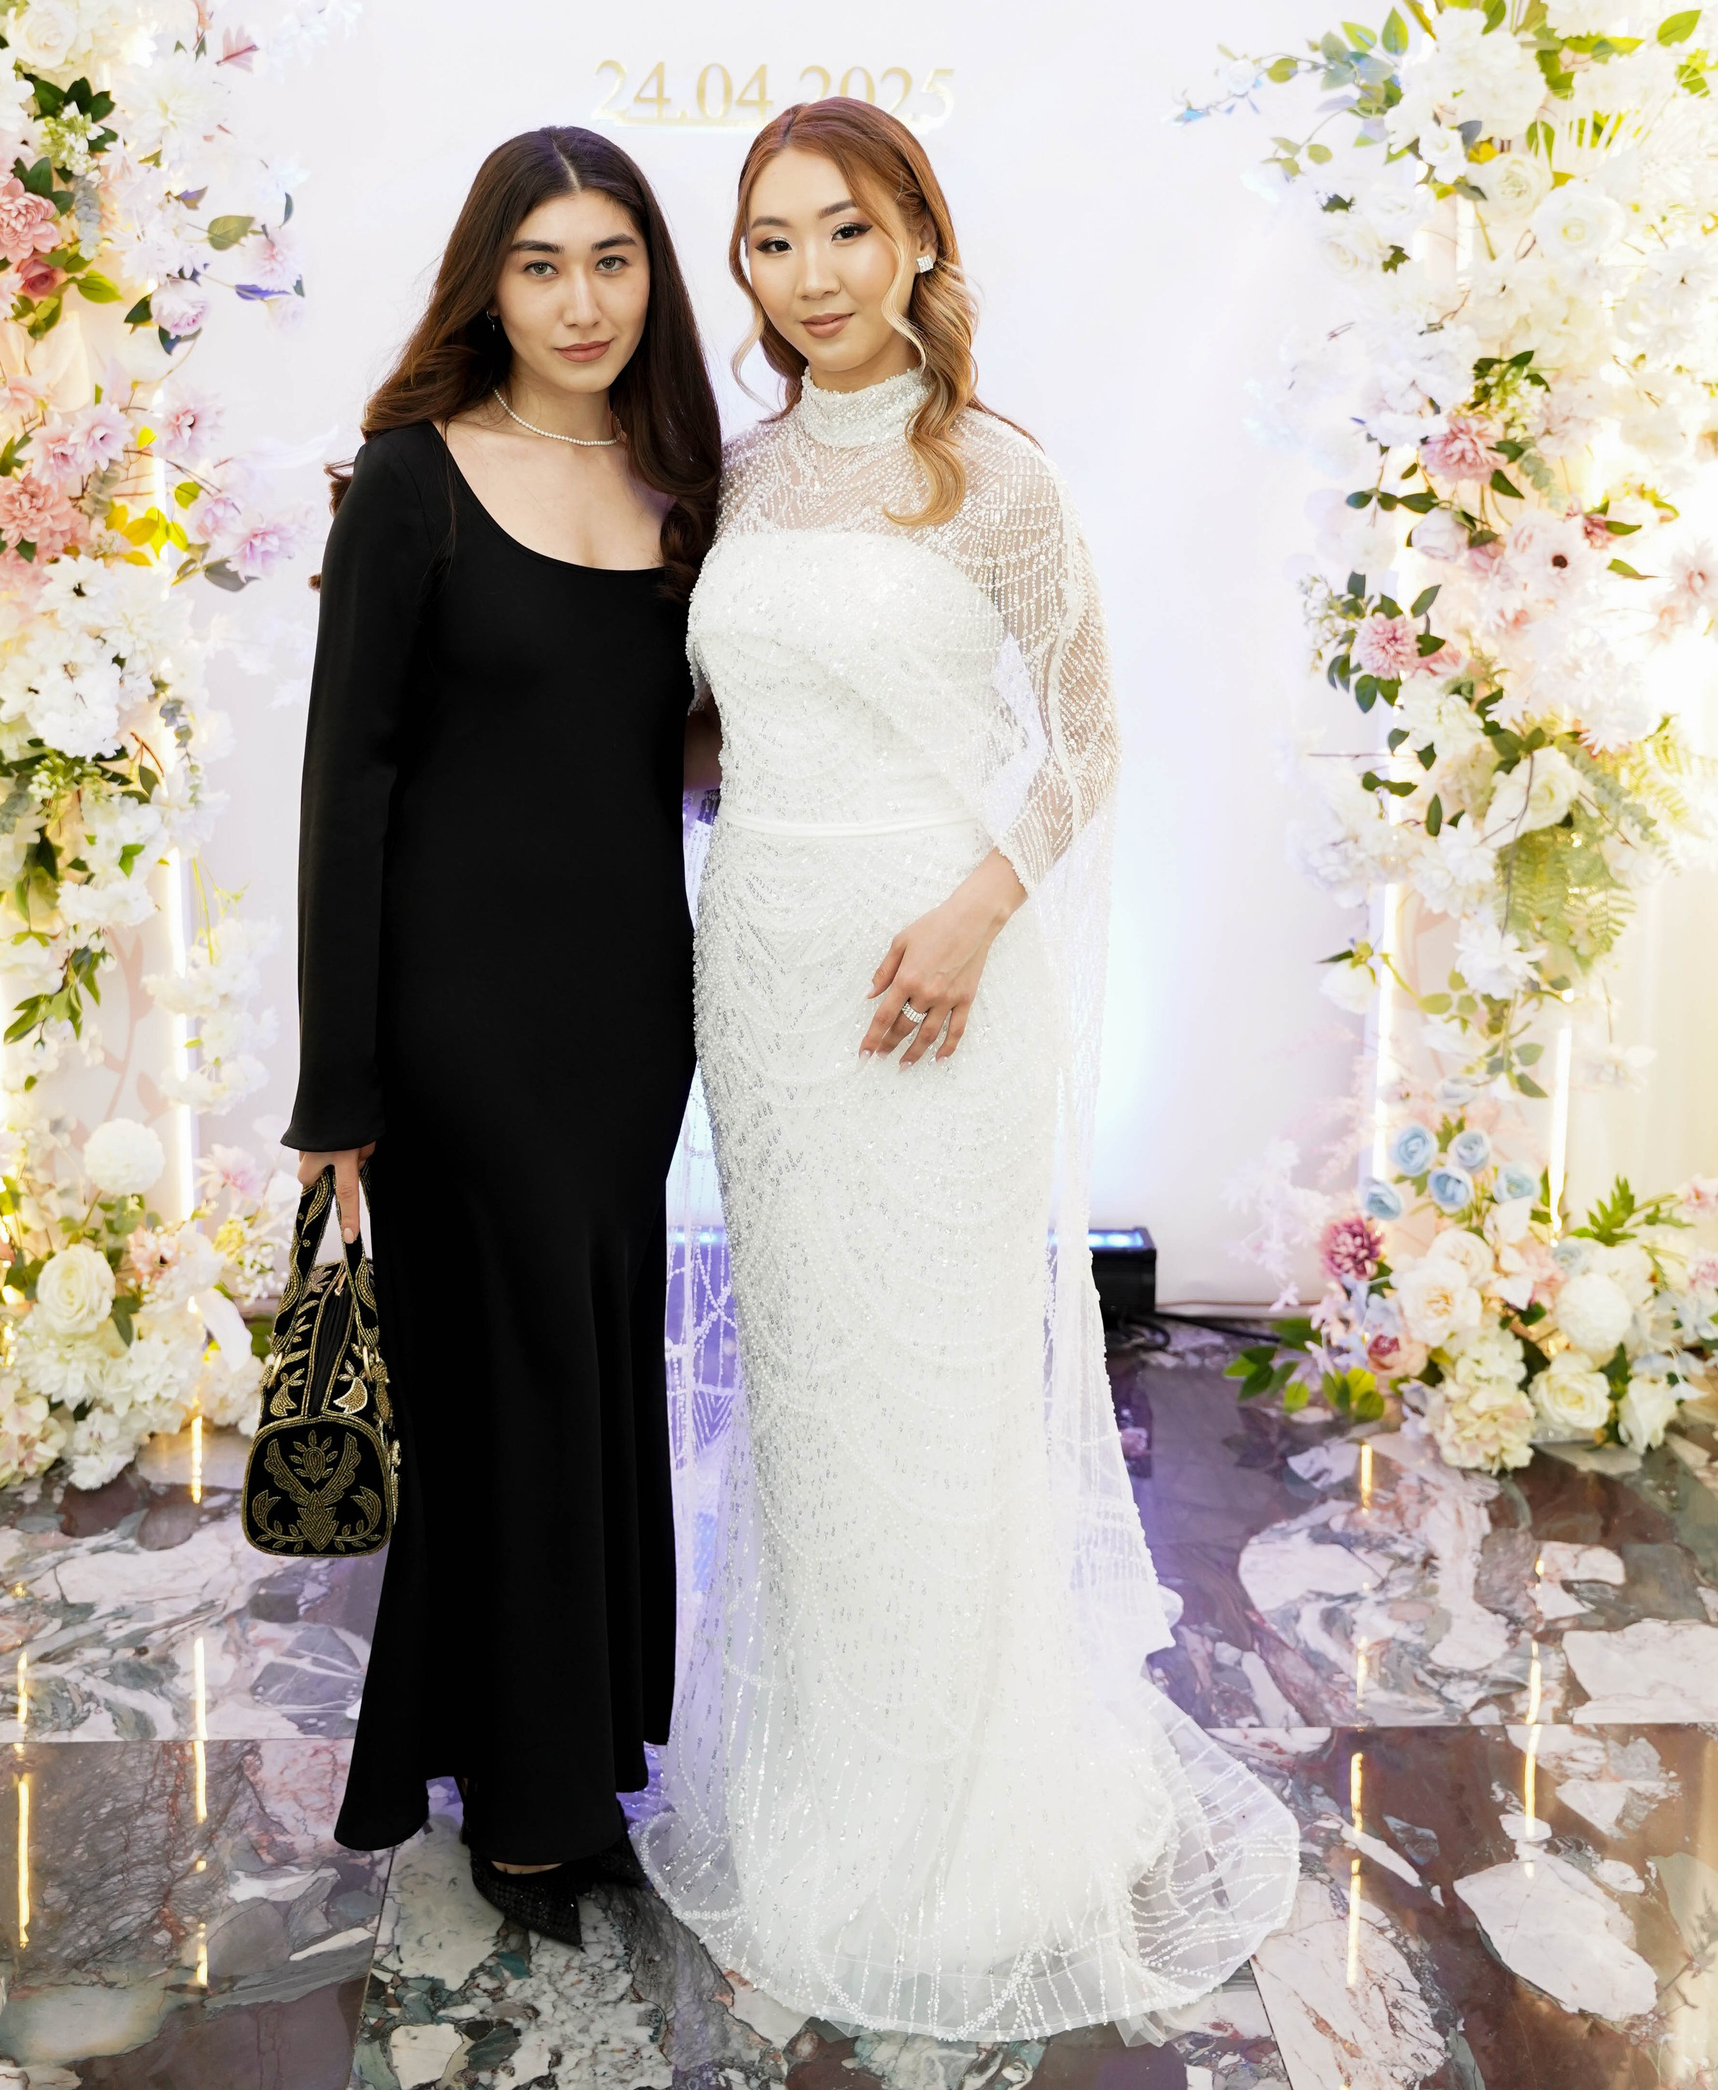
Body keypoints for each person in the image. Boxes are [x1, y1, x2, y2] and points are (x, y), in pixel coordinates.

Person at [645, 99, 1297, 2038]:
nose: (811, 274)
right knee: (813, 1392)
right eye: (772, 241)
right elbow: (710, 723)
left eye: (845, 230)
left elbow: (1087, 741)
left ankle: (965, 1827)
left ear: (918, 237)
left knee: (933, 1392)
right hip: (766, 975)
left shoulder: (996, 476)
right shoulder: (736, 479)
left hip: (939, 981)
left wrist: (973, 911)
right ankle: (822, 1794)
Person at [284, 125, 720, 1947]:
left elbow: (696, 742)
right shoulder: (412, 478)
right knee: (512, 1389)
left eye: (612, 259)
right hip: (457, 1018)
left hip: (631, 1017)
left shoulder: (686, 484)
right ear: (490, 283)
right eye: (541, 264)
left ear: (653, 279)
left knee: (585, 1379)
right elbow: (346, 784)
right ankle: (528, 1810)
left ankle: (571, 1756)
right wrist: (337, 1083)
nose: (580, 300)